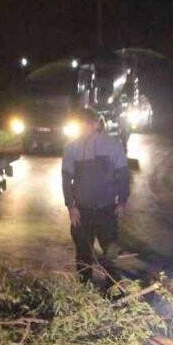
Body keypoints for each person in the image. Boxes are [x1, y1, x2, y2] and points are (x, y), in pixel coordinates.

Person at [62, 114, 129, 283]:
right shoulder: (72, 148)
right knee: (84, 255)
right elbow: (66, 179)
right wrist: (71, 207)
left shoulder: (112, 145)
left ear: (96, 124)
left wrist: (122, 202)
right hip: (82, 212)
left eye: (87, 123)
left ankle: (114, 290)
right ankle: (85, 289)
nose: (84, 127)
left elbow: (123, 175)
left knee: (110, 254)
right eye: (81, 124)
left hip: (106, 210)